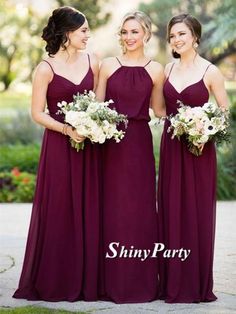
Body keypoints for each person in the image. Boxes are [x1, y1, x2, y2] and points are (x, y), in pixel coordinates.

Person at [13, 6, 100, 301]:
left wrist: (95, 125)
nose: (88, 35)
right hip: (59, 149)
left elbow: (101, 104)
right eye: (84, 30)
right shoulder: (45, 68)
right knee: (59, 208)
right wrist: (67, 130)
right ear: (67, 33)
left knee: (89, 208)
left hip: (89, 146)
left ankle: (87, 279)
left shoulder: (94, 62)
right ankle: (56, 279)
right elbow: (38, 113)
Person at [157, 13, 228, 303]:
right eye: (173, 35)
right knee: (171, 209)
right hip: (173, 146)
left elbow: (224, 112)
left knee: (196, 211)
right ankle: (171, 283)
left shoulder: (211, 71)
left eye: (182, 34)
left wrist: (202, 129)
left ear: (195, 37)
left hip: (199, 149)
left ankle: (196, 283)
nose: (176, 39)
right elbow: (160, 110)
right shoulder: (166, 69)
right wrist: (181, 121)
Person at [96, 11, 165, 303]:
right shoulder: (107, 66)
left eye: (135, 31)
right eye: (124, 32)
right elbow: (95, 105)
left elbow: (160, 110)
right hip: (109, 144)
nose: (129, 37)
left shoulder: (156, 69)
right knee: (112, 208)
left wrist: (196, 120)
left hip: (138, 144)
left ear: (146, 34)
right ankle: (109, 281)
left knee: (139, 210)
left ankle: (140, 282)